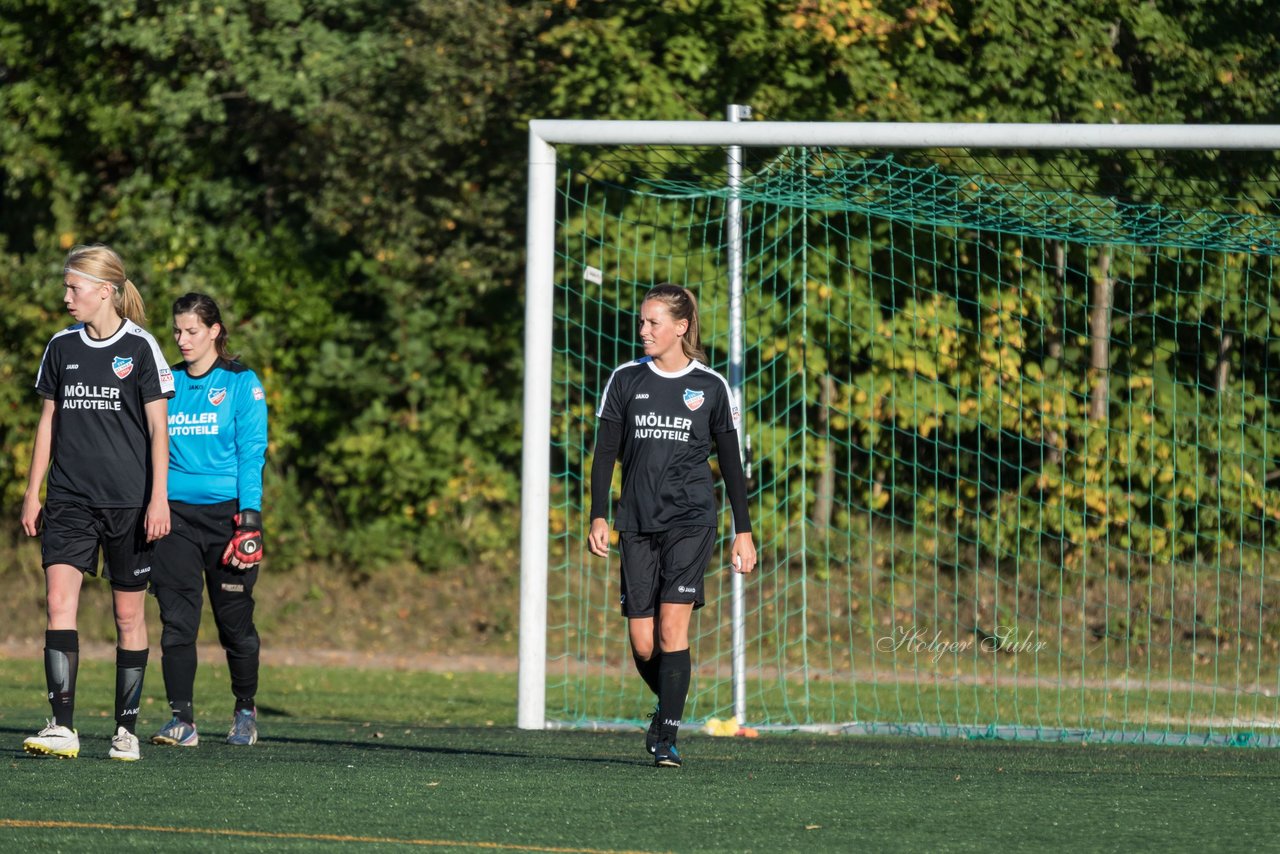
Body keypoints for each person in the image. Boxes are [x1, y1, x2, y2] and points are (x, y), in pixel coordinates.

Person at [588, 282, 756, 768]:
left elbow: (730, 464)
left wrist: (742, 531)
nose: (643, 330)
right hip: (636, 522)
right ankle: (670, 704)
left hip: (690, 521)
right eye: (641, 321)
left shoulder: (710, 387)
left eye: (652, 322)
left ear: (680, 328)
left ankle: (667, 737)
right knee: (643, 643)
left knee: (670, 629)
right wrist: (599, 513)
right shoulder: (624, 380)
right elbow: (604, 455)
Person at [21, 244, 175, 761]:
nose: (67, 297)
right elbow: (48, 423)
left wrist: (159, 499)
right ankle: (62, 726)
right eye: (66, 287)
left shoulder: (142, 347)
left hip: (130, 503)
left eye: (74, 287)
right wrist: (32, 491)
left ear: (104, 290)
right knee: (58, 603)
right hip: (69, 498)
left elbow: (159, 430)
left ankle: (125, 731)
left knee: (128, 616)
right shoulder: (60, 346)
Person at [149, 293, 268, 748]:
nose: (181, 339)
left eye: (191, 331)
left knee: (233, 623)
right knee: (177, 621)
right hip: (174, 517)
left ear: (215, 331)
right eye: (177, 331)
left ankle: (244, 709)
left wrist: (249, 522)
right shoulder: (168, 382)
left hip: (227, 519)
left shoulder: (242, 383)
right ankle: (182, 720)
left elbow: (251, 454)